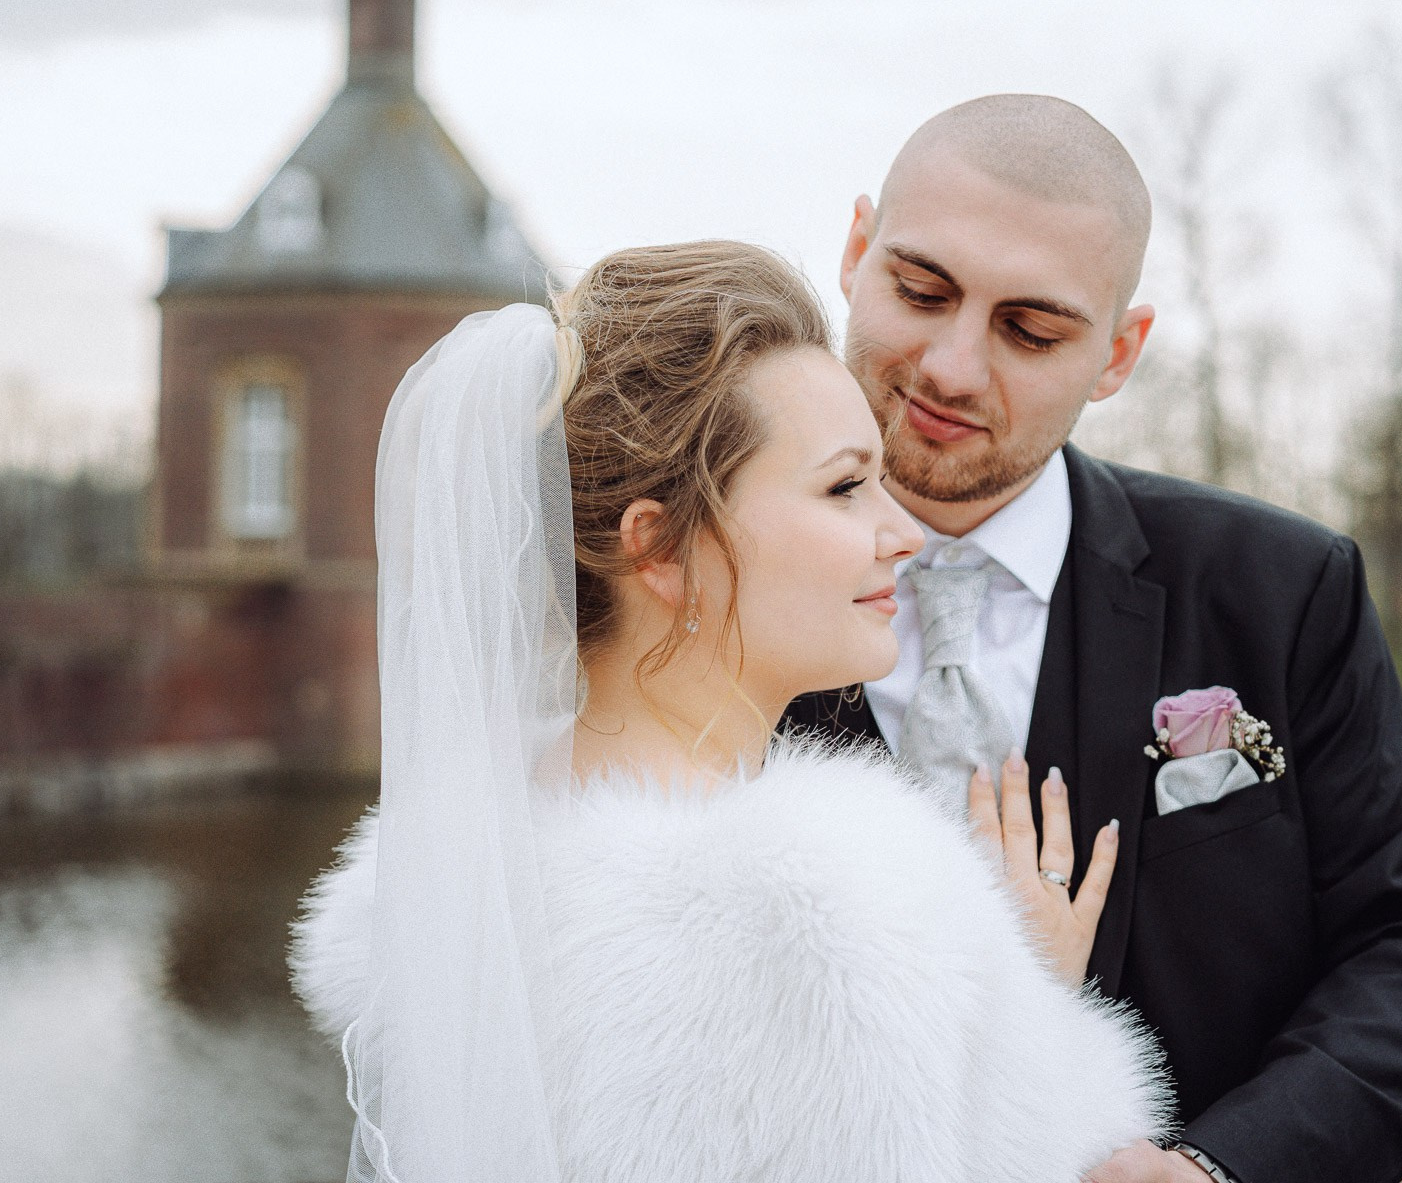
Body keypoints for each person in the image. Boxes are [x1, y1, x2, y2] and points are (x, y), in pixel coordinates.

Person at [289, 241, 1173, 1183]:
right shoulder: (848, 911)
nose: (903, 532)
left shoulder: (439, 884)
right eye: (845, 487)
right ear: (661, 549)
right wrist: (1026, 1003)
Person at [783, 95, 1402, 1183]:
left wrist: (1221, 1168)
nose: (953, 368)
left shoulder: (1282, 591)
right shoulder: (697, 574)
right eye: (921, 291)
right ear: (855, 252)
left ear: (1118, 353)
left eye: (1031, 331)